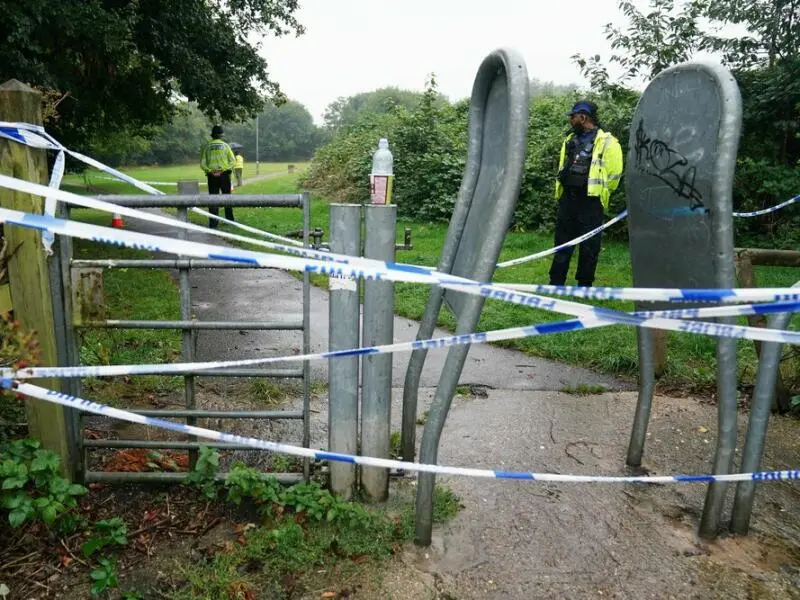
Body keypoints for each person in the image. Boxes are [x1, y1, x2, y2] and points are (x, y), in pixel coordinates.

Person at [548, 101, 623, 287]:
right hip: (568, 200)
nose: (570, 119)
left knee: (589, 246)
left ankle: (584, 285)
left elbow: (614, 175)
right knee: (562, 242)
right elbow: (563, 167)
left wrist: (601, 192)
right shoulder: (569, 141)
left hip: (591, 202)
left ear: (583, 117)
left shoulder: (607, 142)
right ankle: (556, 282)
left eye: (572, 116)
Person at [200, 124, 236, 228]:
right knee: (227, 198)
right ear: (221, 135)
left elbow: (202, 164)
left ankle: (213, 222)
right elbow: (233, 161)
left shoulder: (206, 147)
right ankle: (230, 220)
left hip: (212, 176)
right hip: (224, 175)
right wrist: (223, 170)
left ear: (212, 135)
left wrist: (211, 171)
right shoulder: (226, 146)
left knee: (213, 200)